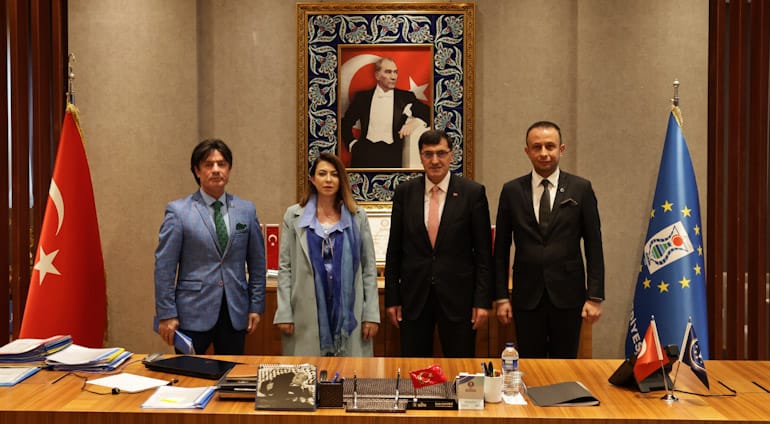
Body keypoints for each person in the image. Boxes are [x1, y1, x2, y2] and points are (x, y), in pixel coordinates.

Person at [493, 121, 605, 358]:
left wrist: (595, 297)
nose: (544, 153)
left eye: (550, 146)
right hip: (526, 296)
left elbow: (594, 245)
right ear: (527, 151)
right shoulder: (512, 191)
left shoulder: (581, 188)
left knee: (564, 364)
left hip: (568, 295)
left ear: (561, 149)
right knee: (530, 364)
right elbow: (501, 248)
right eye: (537, 147)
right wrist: (501, 296)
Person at [384, 129, 493, 357]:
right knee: (414, 368)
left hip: (459, 300)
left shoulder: (472, 193)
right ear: (420, 157)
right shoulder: (405, 193)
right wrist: (392, 299)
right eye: (428, 154)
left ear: (451, 155)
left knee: (461, 366)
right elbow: (394, 250)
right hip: (414, 298)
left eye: (441, 153)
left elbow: (483, 254)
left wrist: (482, 301)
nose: (435, 160)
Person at [154, 139, 266, 355]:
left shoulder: (246, 210)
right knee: (189, 372)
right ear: (197, 171)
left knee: (232, 372)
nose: (216, 170)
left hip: (235, 311)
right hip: (191, 312)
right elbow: (164, 267)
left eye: (221, 164)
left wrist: (256, 305)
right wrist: (166, 313)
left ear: (229, 169)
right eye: (208, 164)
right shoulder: (179, 211)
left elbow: (257, 264)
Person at [274, 152, 379, 356]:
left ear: (341, 180)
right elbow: (285, 267)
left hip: (350, 312)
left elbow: (369, 268)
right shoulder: (293, 215)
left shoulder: (357, 216)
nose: (328, 179)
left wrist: (371, 314)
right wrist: (284, 312)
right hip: (305, 311)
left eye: (334, 174)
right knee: (308, 372)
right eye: (322, 174)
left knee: (349, 373)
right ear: (312, 179)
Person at [341, 57, 430, 168]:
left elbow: (429, 114)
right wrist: (352, 144)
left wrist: (415, 122)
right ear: (377, 75)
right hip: (364, 155)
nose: (393, 77)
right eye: (388, 72)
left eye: (395, 72)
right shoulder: (362, 97)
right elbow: (345, 122)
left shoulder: (405, 97)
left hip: (392, 156)